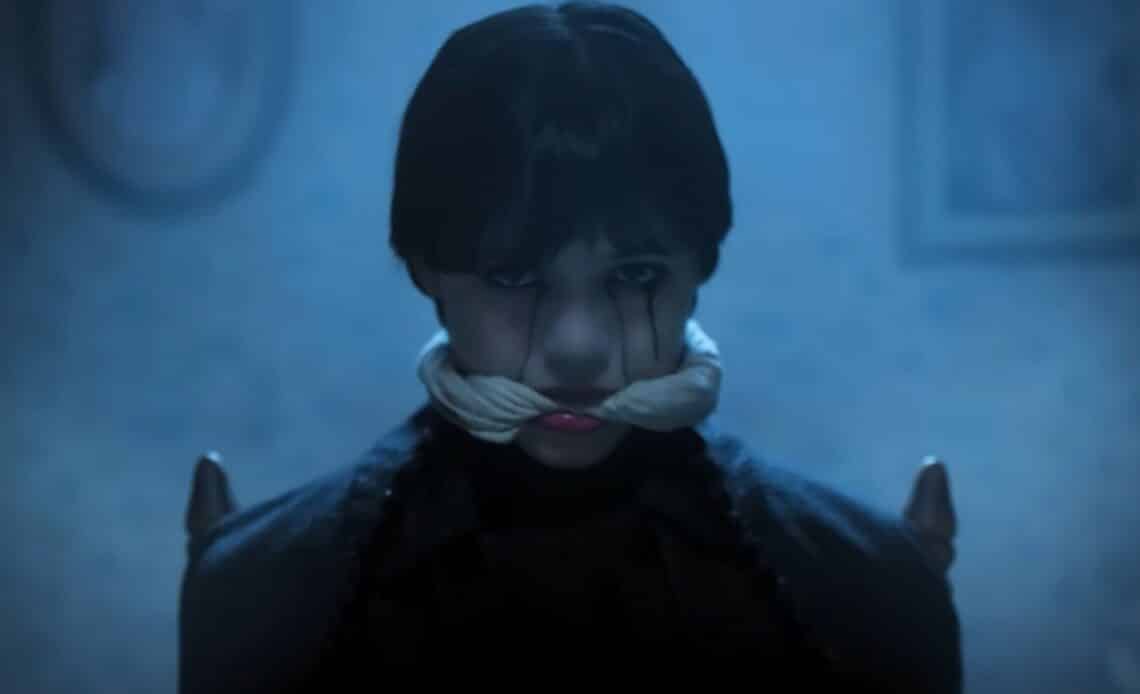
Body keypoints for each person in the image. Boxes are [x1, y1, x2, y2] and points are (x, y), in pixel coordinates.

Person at [177, 3, 962, 691]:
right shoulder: (268, 594)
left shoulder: (863, 592)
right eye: (515, 276)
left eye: (636, 274)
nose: (578, 347)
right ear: (425, 269)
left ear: (701, 268)